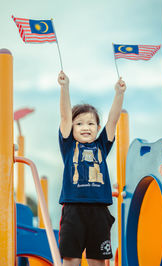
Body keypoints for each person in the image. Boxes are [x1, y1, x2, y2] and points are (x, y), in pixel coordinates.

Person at [57, 70, 126, 266]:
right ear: (71, 127)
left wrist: (119, 94)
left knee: (98, 260)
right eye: (79, 123)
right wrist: (64, 88)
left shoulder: (102, 145)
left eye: (90, 123)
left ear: (97, 128)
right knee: (71, 260)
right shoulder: (69, 145)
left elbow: (112, 120)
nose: (85, 127)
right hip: (73, 209)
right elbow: (64, 116)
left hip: (99, 210)